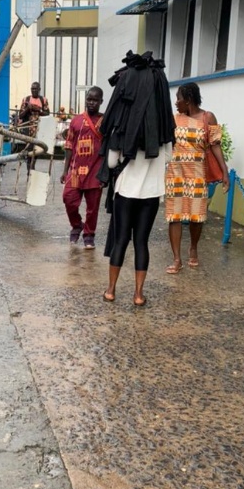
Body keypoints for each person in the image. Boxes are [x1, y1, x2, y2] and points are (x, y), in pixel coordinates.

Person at [99, 50, 175, 307]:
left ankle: (111, 290)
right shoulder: (164, 129)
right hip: (151, 194)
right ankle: (138, 294)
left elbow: (111, 163)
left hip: (125, 192)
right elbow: (168, 158)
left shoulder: (121, 127)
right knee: (142, 242)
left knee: (121, 240)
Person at [163, 83, 229, 273]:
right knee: (174, 216)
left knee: (196, 217)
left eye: (179, 98)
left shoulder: (208, 117)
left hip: (198, 173)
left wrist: (224, 172)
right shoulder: (174, 119)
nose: (176, 103)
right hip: (175, 173)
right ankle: (177, 259)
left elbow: (215, 145)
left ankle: (193, 247)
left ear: (188, 100)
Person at [61, 87, 105, 250]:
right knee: (68, 199)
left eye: (95, 100)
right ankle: (77, 224)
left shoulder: (105, 121)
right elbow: (69, 145)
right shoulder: (76, 120)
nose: (91, 103)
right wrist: (65, 171)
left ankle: (89, 234)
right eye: (89, 99)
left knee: (92, 208)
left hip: (95, 171)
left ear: (101, 101)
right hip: (76, 170)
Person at [19, 82, 50, 172]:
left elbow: (47, 114)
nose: (34, 91)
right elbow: (20, 115)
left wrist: (39, 110)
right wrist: (28, 109)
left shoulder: (43, 100)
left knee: (37, 150)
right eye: (32, 89)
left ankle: (32, 167)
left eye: (36, 89)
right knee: (29, 150)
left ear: (39, 90)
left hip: (40, 130)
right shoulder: (26, 100)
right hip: (28, 130)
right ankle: (30, 169)